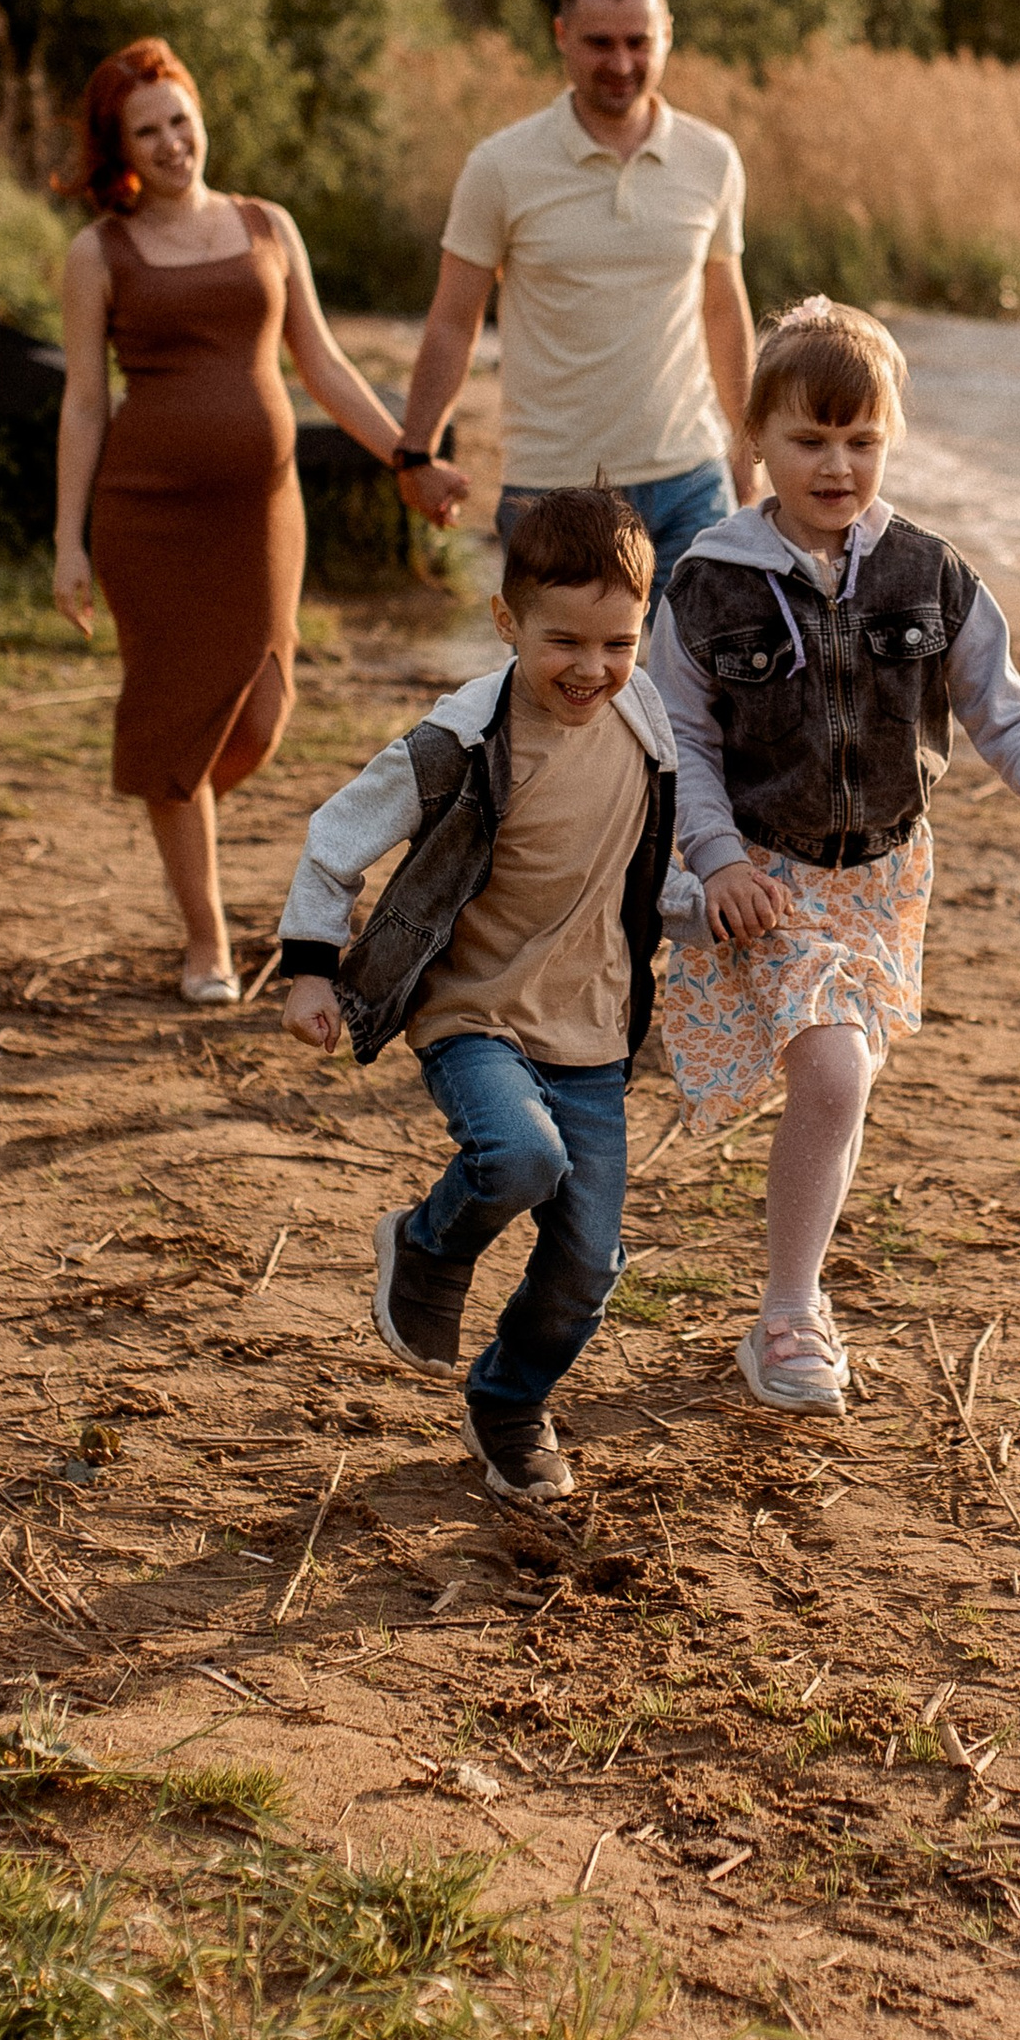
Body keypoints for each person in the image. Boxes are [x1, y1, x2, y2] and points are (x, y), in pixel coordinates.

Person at [647, 297, 1020, 1416]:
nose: (836, 462)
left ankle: (789, 1296)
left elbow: (998, 705)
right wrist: (715, 861)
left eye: (861, 440)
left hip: (889, 879)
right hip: (764, 877)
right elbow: (681, 742)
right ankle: (789, 1313)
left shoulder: (927, 572)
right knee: (834, 1071)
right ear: (755, 436)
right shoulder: (709, 581)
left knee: (840, 1081)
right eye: (810, 438)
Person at [276, 487, 674, 1504]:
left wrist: (716, 904)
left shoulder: (646, 718)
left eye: (618, 641)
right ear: (508, 623)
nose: (592, 668)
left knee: (589, 1264)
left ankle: (508, 1398)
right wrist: (312, 967)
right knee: (519, 1154)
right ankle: (425, 1242)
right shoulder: (461, 738)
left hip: (590, 1026)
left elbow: (644, 861)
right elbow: (334, 838)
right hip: (475, 1012)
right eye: (564, 642)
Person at [53, 38, 425, 1005]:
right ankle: (207, 939)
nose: (174, 142)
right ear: (120, 146)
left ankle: (180, 807)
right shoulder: (100, 252)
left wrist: (407, 456)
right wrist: (67, 543)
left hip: (261, 512)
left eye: (182, 119)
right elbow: (85, 404)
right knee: (175, 714)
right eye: (149, 130)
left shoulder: (267, 224)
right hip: (147, 516)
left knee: (259, 712)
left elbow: (325, 363)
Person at [392, 0, 757, 609]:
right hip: (552, 489)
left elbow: (723, 307)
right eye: (599, 43)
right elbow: (453, 320)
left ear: (667, 33)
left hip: (691, 480)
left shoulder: (713, 159)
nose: (620, 64)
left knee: (700, 702)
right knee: (572, 700)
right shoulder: (501, 167)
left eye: (638, 42)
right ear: (562, 36)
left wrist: (750, 438)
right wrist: (415, 452)